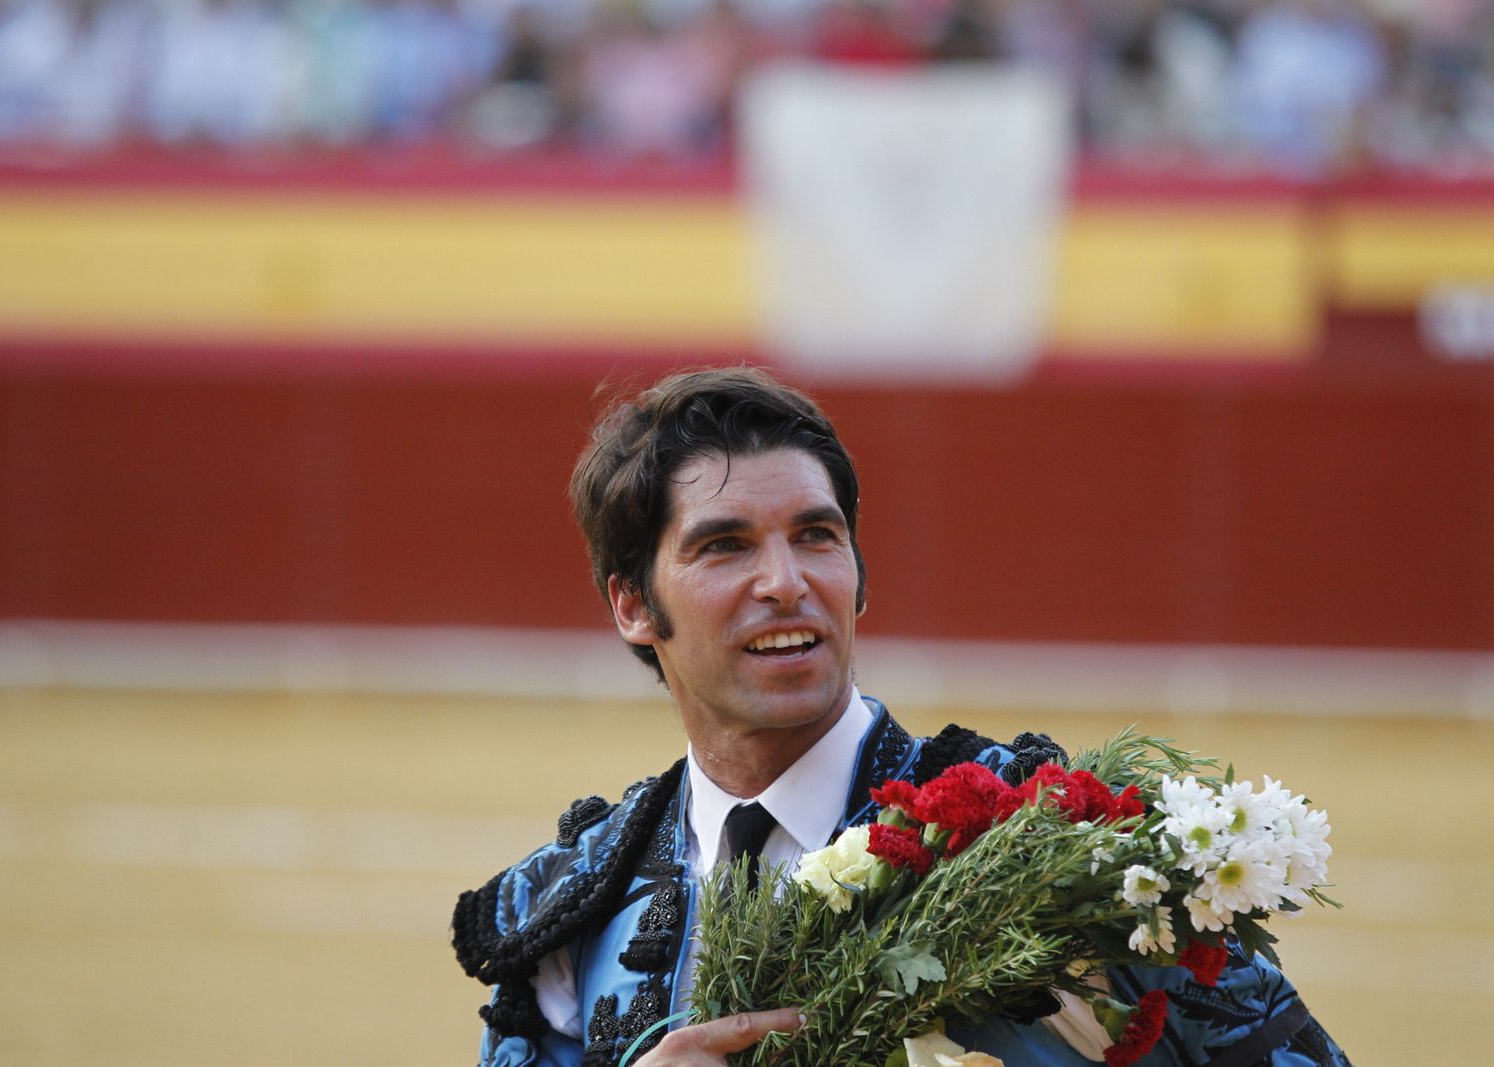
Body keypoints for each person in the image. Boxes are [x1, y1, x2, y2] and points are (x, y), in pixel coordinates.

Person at [453, 367, 1349, 1067]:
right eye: (725, 544)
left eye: (817, 534)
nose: (786, 581)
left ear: (859, 575)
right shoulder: (570, 907)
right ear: (632, 605)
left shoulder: (1056, 836)